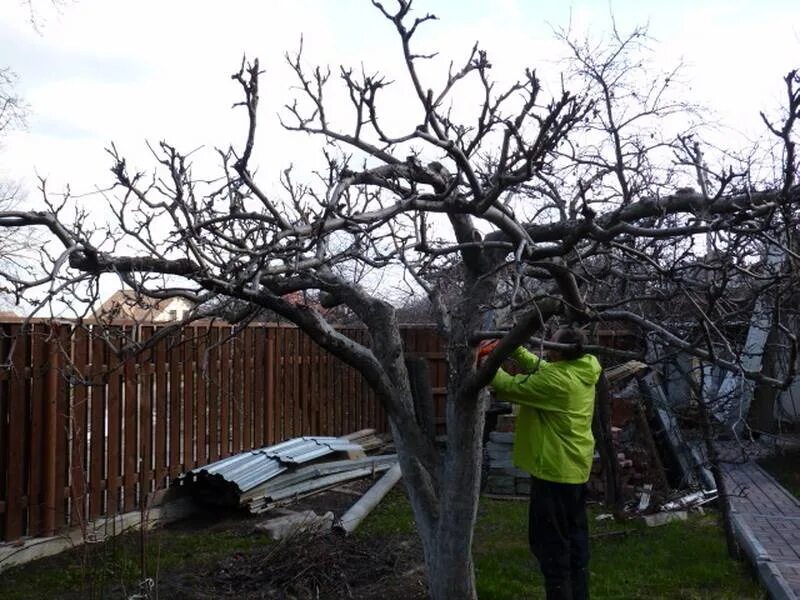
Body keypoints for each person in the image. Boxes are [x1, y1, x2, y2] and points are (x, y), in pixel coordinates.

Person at [486, 327, 601, 600]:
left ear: (558, 351)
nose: (546, 345)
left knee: (550, 546)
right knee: (574, 542)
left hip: (554, 473)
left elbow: (508, 386)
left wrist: (485, 362)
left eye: (551, 342)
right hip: (573, 469)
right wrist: (511, 346)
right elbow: (543, 368)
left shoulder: (560, 382)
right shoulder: (581, 368)